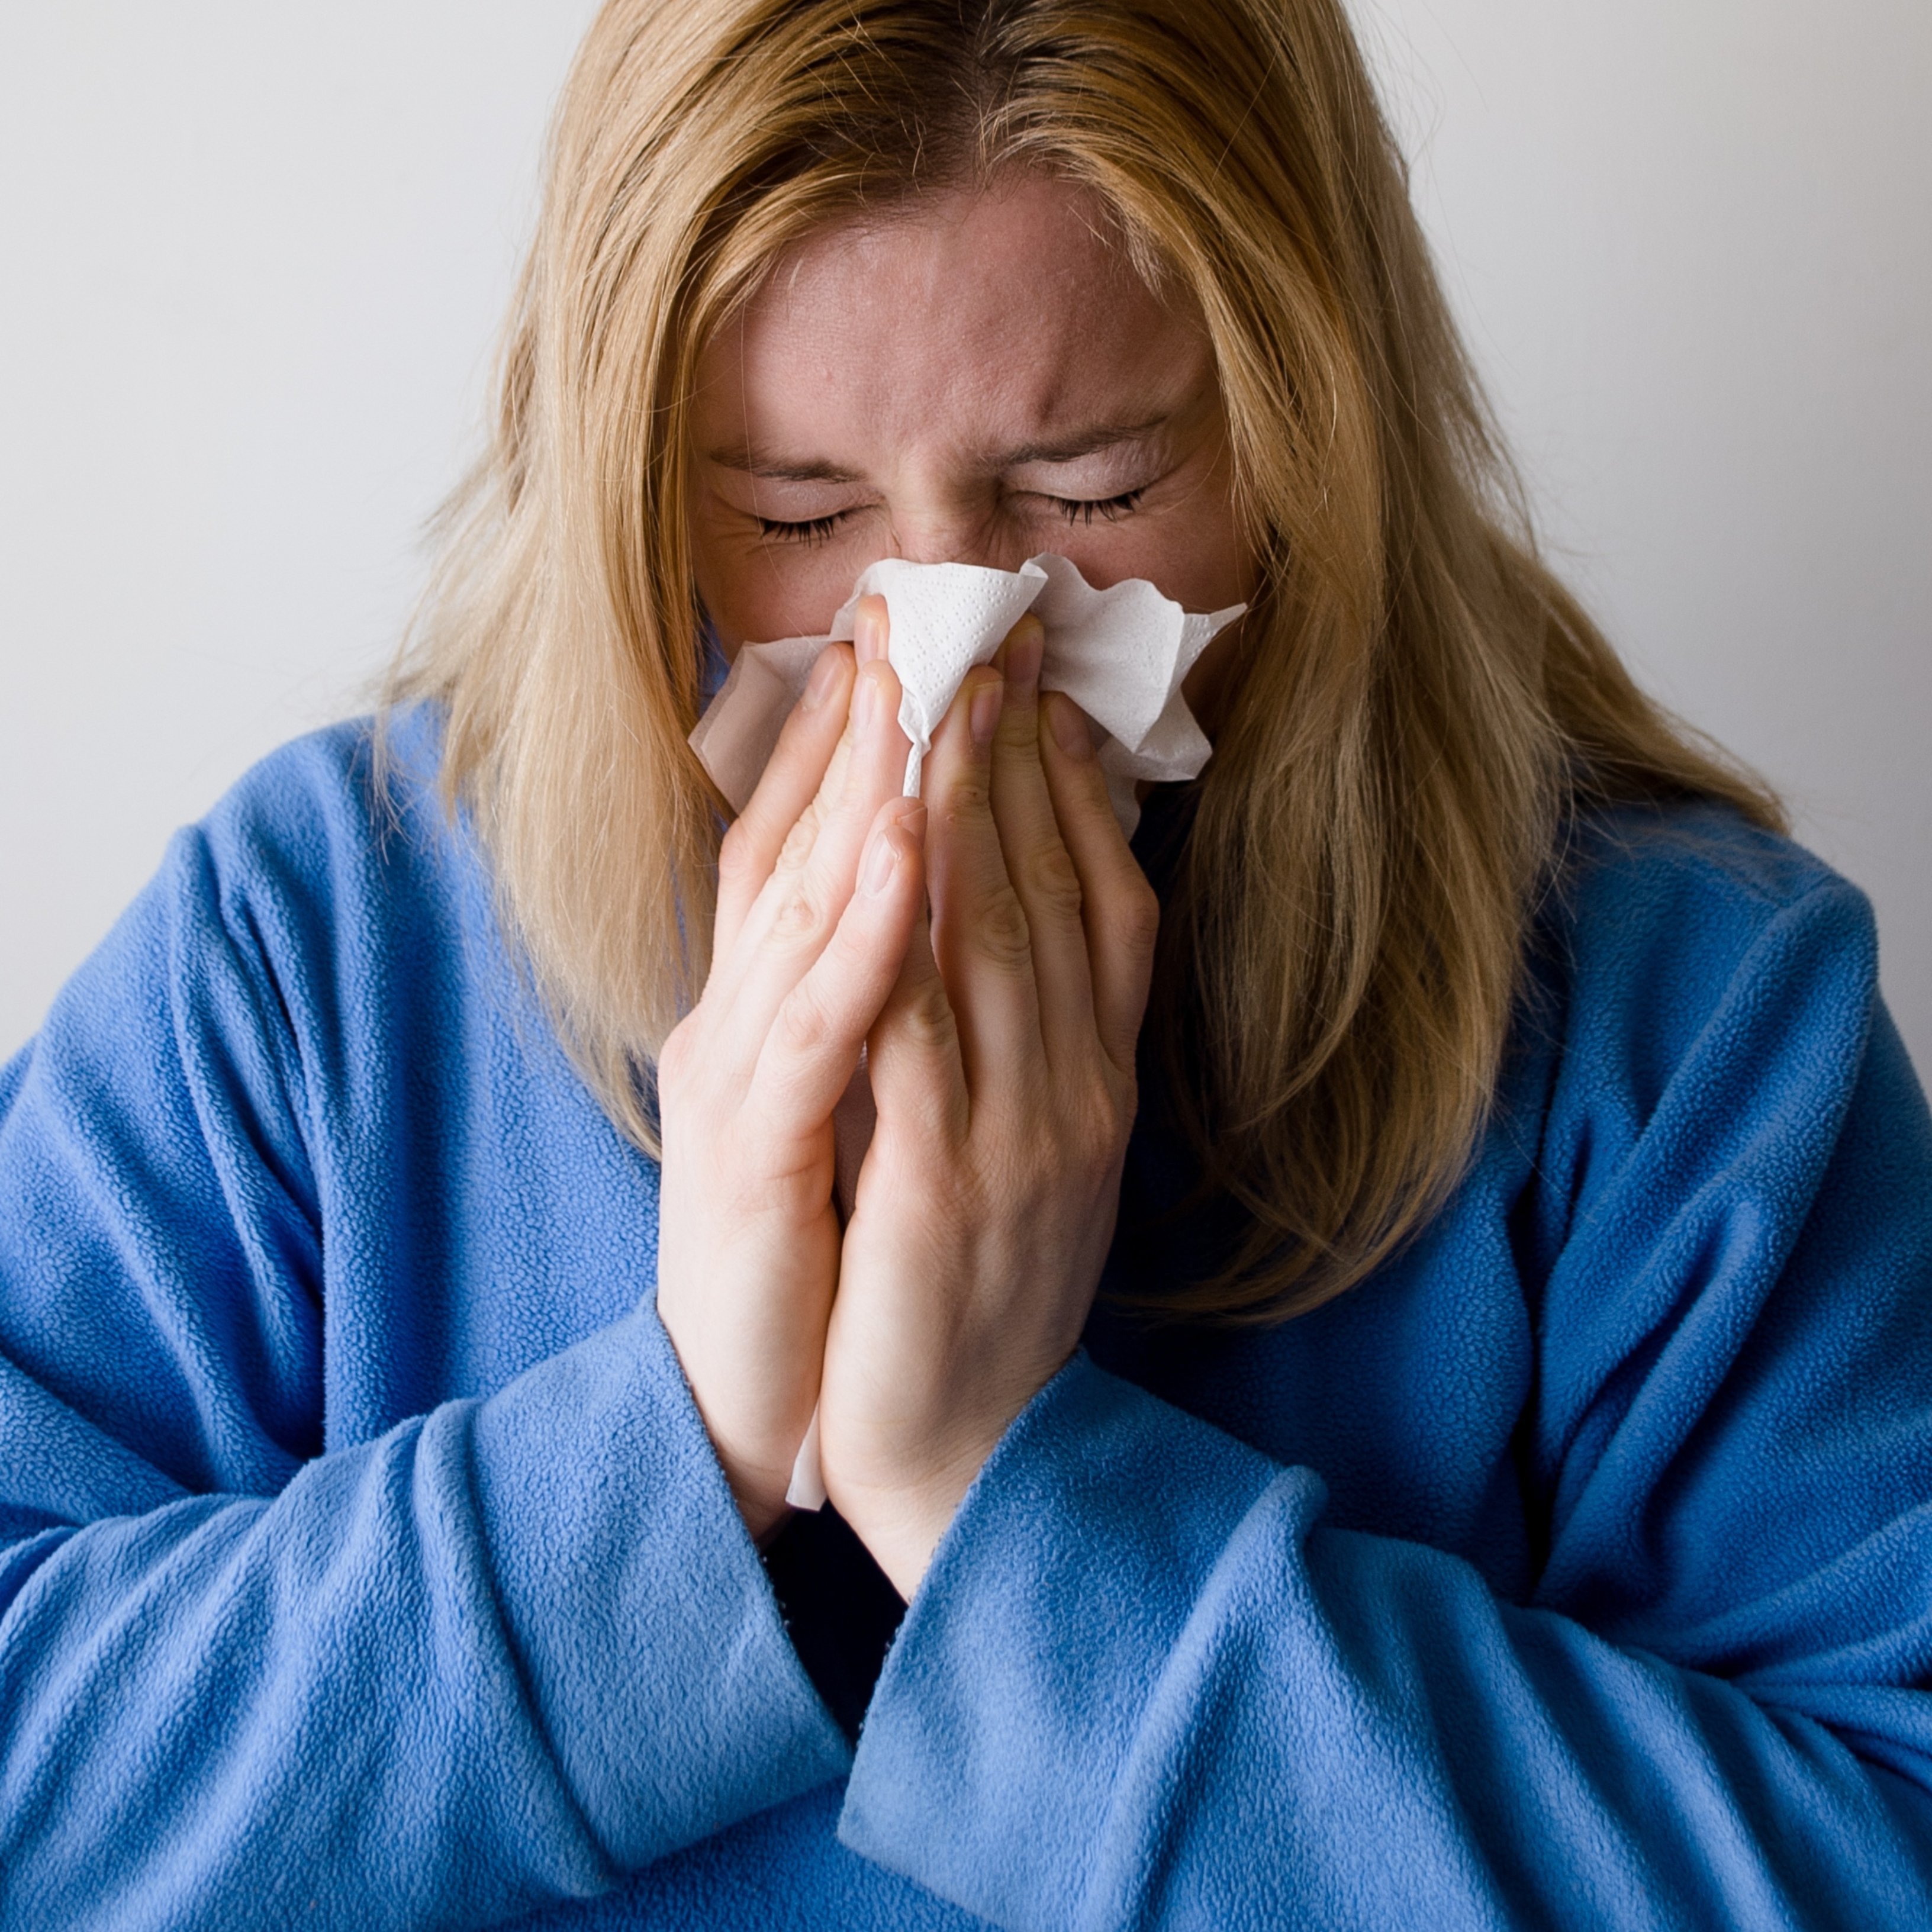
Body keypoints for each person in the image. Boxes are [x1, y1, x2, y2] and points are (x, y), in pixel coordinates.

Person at [4, 0, 1931, 1924]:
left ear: (1304, 435)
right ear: (624, 478)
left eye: (1092, 492)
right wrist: (688, 1445)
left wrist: (994, 1491)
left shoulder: (1682, 1019)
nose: (944, 656)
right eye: (792, 512)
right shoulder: (319, 945)